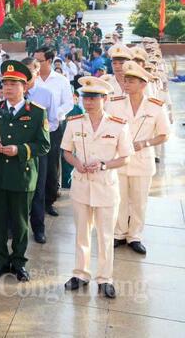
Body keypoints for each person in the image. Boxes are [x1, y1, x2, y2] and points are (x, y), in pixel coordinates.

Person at [0, 60, 50, 282]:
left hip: (23, 175)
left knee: (20, 222)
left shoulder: (37, 113)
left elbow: (44, 144)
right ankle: (0, 260)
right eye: (5, 83)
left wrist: (19, 150)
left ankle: (18, 262)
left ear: (24, 87)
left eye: (13, 84)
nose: (7, 88)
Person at [61, 76, 132, 299]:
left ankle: (105, 278)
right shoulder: (74, 122)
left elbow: (126, 158)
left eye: (93, 98)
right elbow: (66, 152)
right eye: (85, 97)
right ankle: (81, 274)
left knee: (105, 235)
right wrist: (77, 164)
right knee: (82, 233)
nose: (88, 102)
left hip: (105, 187)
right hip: (81, 186)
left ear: (105, 98)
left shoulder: (118, 125)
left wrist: (103, 164)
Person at [106, 62, 170, 255]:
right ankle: (119, 233)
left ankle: (135, 236)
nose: (126, 84)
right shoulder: (114, 104)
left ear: (143, 84)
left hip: (142, 160)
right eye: (125, 80)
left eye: (131, 81)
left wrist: (146, 143)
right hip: (120, 160)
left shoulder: (156, 106)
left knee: (139, 200)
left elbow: (164, 134)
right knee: (120, 198)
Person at [33, 46, 73, 217]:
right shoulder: (32, 79)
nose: (36, 64)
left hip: (53, 128)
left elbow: (68, 103)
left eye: (39, 61)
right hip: (32, 128)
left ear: (49, 61)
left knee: (51, 165)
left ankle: (49, 201)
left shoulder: (61, 80)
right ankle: (33, 200)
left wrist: (54, 115)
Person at [22, 57, 58, 244]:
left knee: (38, 189)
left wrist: (39, 132)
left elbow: (53, 121)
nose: (26, 76)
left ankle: (38, 228)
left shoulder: (46, 94)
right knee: (18, 189)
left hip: (38, 149)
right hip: (17, 150)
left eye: (30, 71)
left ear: (37, 72)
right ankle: (15, 226)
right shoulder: (13, 93)